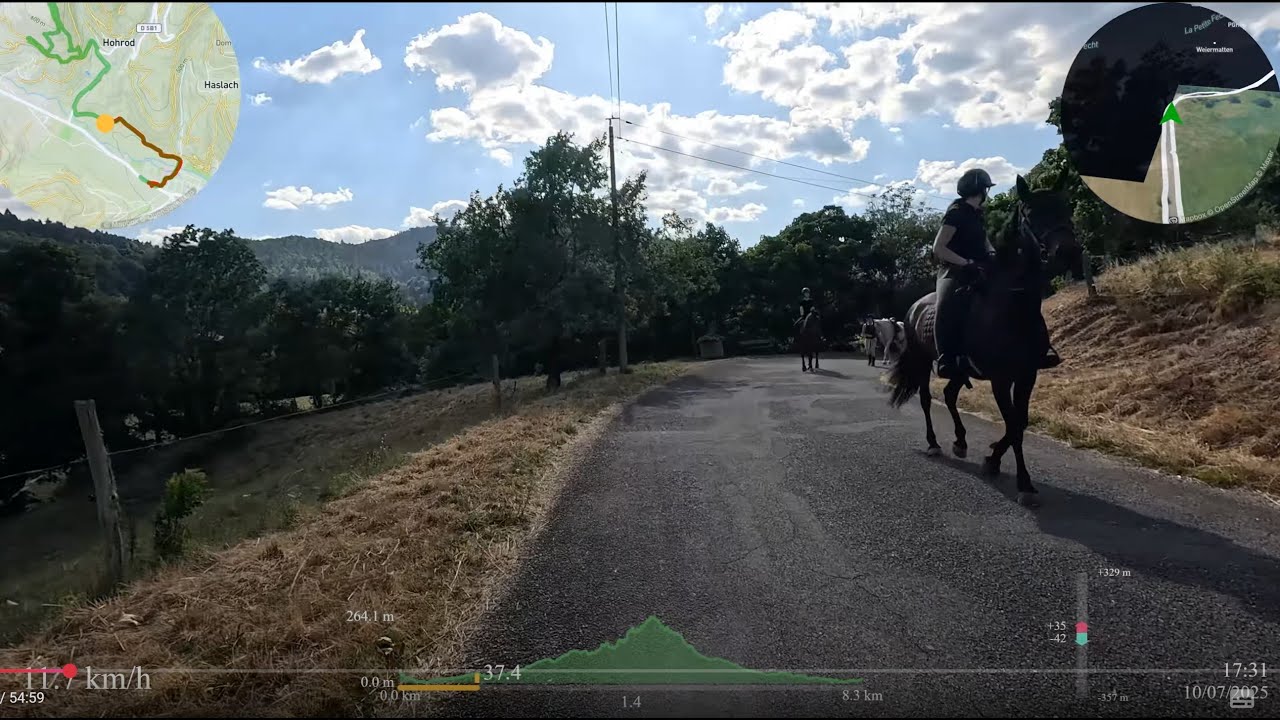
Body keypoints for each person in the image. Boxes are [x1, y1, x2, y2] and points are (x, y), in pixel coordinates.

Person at [932, 168, 1060, 378]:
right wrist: (965, 262)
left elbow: (983, 241)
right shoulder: (956, 212)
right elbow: (939, 248)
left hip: (981, 266)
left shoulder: (977, 214)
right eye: (985, 189)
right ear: (981, 189)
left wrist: (992, 253)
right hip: (954, 271)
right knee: (946, 303)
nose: (986, 193)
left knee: (1019, 292)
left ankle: (1040, 345)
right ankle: (946, 357)